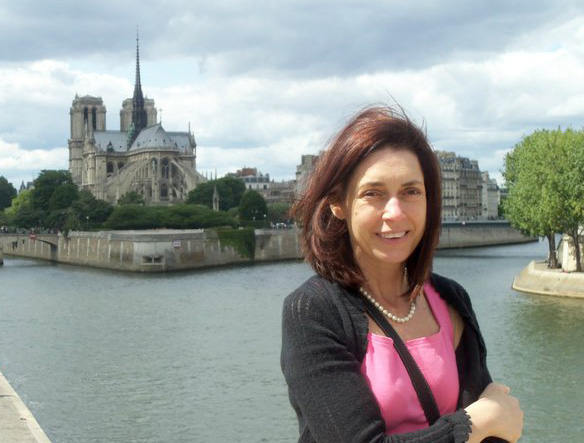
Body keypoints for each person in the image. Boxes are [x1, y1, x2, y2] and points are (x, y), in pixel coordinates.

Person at [280, 106, 523, 442]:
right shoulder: (312, 311)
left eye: (411, 191)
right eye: (373, 193)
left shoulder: (451, 299)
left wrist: (487, 422)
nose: (394, 213)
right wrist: (473, 424)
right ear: (339, 204)